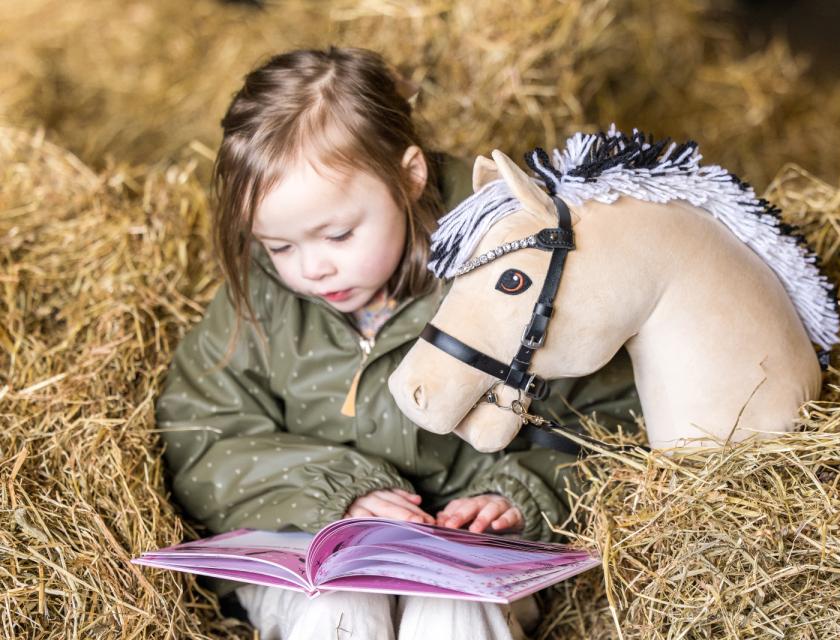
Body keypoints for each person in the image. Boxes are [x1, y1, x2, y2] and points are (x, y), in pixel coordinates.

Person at [155, 47, 640, 640]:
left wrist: (519, 496)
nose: (312, 269)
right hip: (312, 553)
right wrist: (334, 493)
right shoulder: (258, 303)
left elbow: (614, 423)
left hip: (473, 562)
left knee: (452, 614)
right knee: (339, 613)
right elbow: (198, 439)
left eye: (337, 234)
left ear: (408, 177)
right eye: (279, 246)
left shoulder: (514, 275)